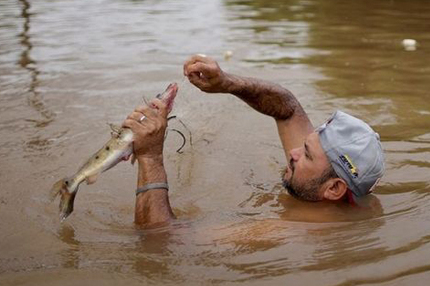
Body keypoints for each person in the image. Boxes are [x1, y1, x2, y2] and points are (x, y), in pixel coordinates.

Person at [125, 54, 385, 227]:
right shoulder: (323, 182)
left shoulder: (294, 229)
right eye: (304, 145)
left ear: (334, 189)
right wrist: (226, 82)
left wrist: (150, 156)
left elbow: (161, 243)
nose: (293, 152)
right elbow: (288, 108)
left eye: (306, 154)